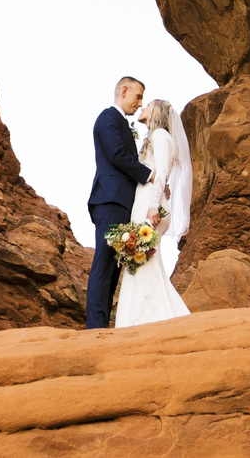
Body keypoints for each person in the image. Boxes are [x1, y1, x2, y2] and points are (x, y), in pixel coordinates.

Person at [111, 96, 194, 327]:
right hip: (148, 202)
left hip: (151, 205)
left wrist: (152, 206)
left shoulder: (160, 135)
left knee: (142, 262)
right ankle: (150, 317)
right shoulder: (157, 137)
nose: (142, 106)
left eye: (147, 105)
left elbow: (162, 173)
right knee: (143, 263)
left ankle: (143, 320)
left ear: (155, 112)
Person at [83, 75, 151, 329]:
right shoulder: (108, 118)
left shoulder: (119, 121)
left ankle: (100, 325)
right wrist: (149, 175)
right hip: (109, 199)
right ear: (124, 90)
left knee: (113, 266)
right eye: (138, 96)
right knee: (104, 261)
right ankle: (95, 327)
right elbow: (117, 155)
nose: (139, 102)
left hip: (120, 202)